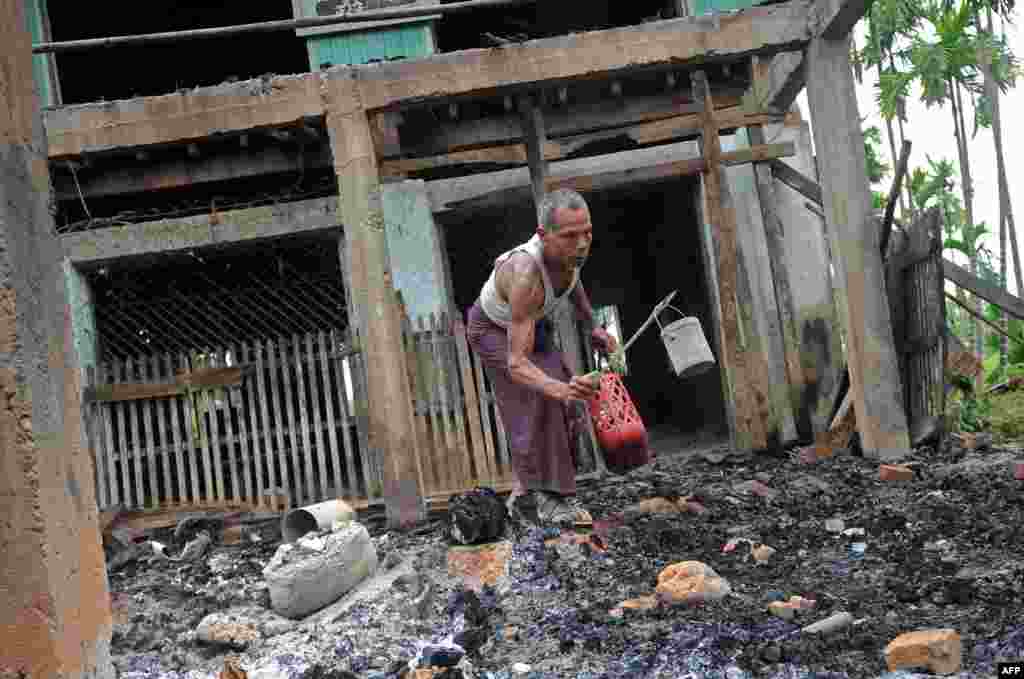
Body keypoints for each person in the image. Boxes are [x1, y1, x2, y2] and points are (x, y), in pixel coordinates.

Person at [466, 189, 618, 528]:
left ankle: (536, 494)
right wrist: (559, 389)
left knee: (565, 396)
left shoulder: (570, 257)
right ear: (543, 235)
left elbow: (573, 284)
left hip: (529, 323)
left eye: (587, 233)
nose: (582, 244)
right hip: (492, 330)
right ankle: (545, 500)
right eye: (570, 236)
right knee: (545, 395)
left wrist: (593, 326)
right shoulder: (525, 275)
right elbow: (517, 363)